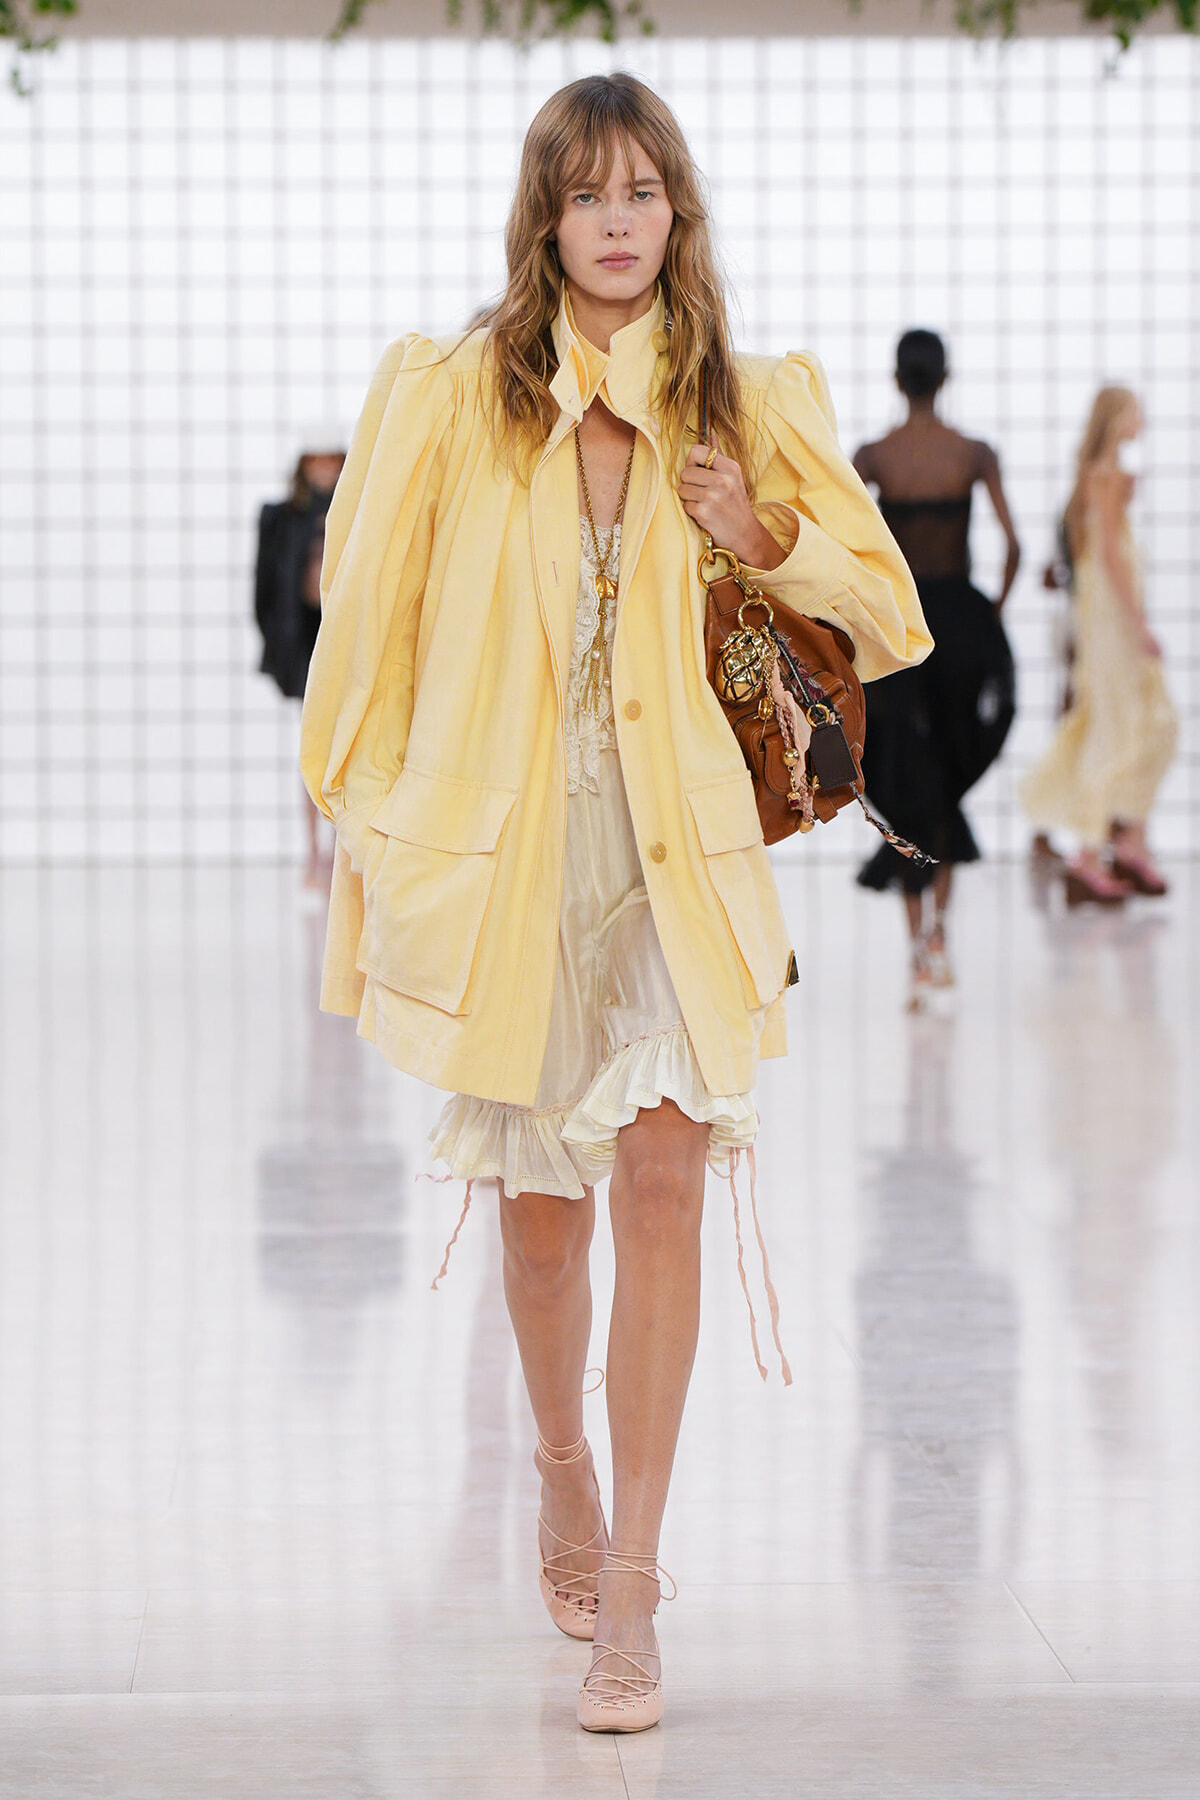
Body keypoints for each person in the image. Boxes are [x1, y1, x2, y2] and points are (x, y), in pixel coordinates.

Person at [300, 73, 928, 1734]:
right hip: (513, 853)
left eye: (647, 189)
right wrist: (369, 822)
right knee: (541, 1209)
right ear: (547, 217)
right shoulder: (453, 396)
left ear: (678, 211)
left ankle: (633, 1587)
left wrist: (766, 525)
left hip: (675, 844)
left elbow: (888, 605)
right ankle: (559, 1465)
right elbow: (363, 618)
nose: (622, 219)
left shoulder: (745, 394)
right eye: (591, 193)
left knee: (662, 1176)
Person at [853, 330, 1019, 1007]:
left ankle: (918, 945)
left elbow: (850, 544)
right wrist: (991, 615)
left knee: (901, 771)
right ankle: (940, 935)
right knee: (947, 772)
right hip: (960, 623)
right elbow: (1012, 545)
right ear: (944, 377)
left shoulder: (874, 456)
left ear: (897, 380)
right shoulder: (973, 454)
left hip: (900, 628)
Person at [1020, 387, 1178, 904]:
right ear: (1116, 419)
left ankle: (1128, 840)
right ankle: (1093, 851)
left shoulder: (1100, 475)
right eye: (1136, 409)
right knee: (1124, 724)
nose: (1143, 418)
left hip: (1105, 619)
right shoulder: (1105, 475)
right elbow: (1108, 554)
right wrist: (1140, 625)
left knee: (1139, 721)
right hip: (1112, 621)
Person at [255, 447, 346, 885]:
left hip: (341, 637)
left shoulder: (357, 507)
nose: (324, 470)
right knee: (313, 748)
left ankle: (334, 849)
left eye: (332, 462)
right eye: (316, 462)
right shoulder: (282, 517)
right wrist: (274, 643)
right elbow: (264, 586)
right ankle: (314, 850)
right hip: (300, 638)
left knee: (336, 748)